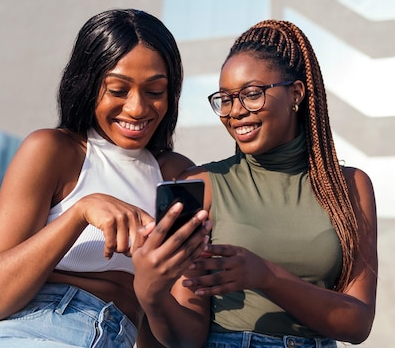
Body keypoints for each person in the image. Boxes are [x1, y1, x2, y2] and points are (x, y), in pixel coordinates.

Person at [0, 9, 210, 348]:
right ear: (88, 85)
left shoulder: (177, 175)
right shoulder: (53, 150)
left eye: (155, 91)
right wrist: (79, 212)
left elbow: (185, 339)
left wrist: (151, 288)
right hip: (30, 331)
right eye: (119, 90)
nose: (137, 108)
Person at [135, 19, 378, 348]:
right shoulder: (201, 184)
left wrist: (267, 276)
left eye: (251, 95)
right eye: (225, 99)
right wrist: (152, 296)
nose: (235, 112)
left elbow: (357, 323)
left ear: (296, 93)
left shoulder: (348, 187)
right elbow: (186, 339)